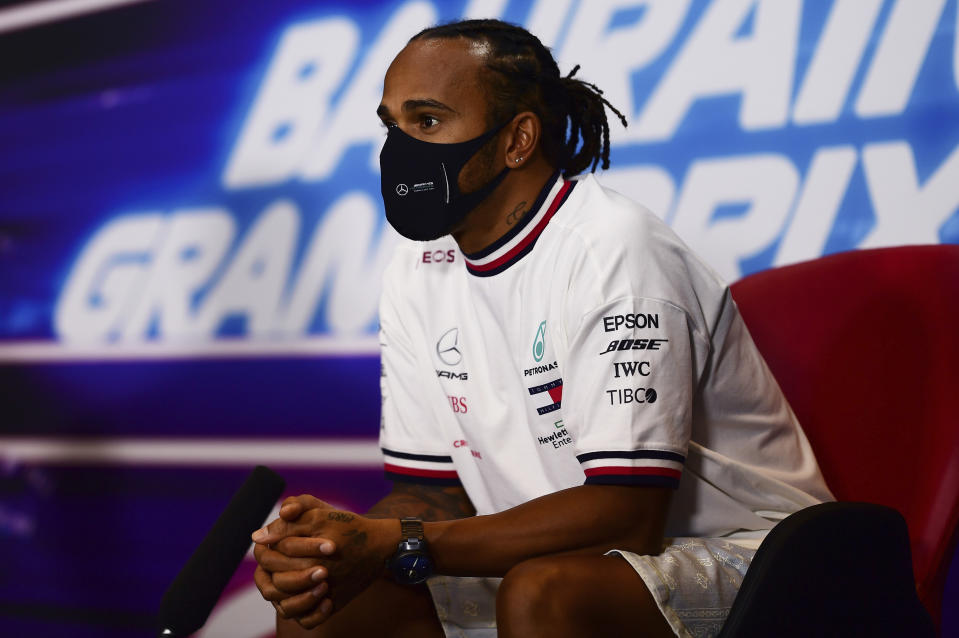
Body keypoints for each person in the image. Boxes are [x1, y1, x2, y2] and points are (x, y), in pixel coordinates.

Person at [251, 18, 833, 638]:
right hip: (572, 554)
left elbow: (625, 515)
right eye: (392, 125)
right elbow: (433, 496)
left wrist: (400, 541)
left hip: (764, 558)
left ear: (518, 139)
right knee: (328, 604)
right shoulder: (414, 270)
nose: (400, 149)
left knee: (545, 591)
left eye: (427, 122)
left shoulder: (614, 248)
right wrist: (339, 549)